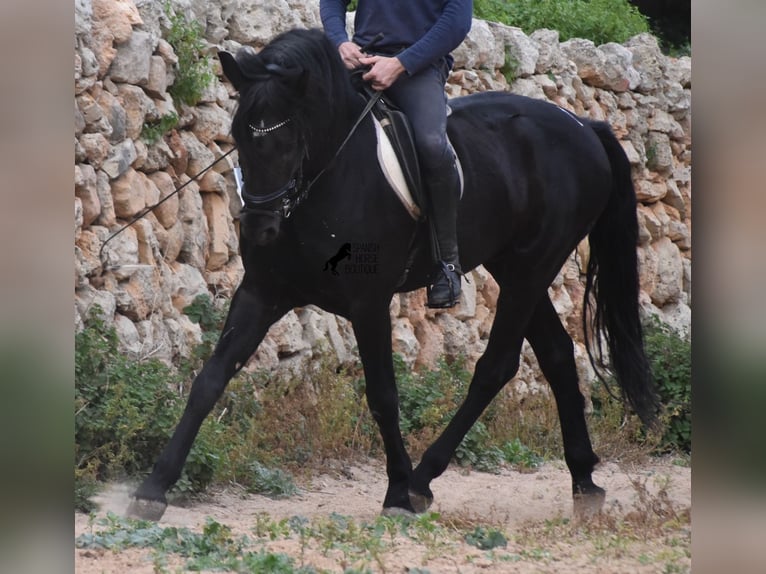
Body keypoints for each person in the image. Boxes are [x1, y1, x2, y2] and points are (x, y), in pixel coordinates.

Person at [320, 0, 473, 308]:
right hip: (361, 60)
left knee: (431, 144)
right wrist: (340, 42)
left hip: (418, 69)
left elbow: (457, 20)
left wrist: (402, 63)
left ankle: (447, 264)